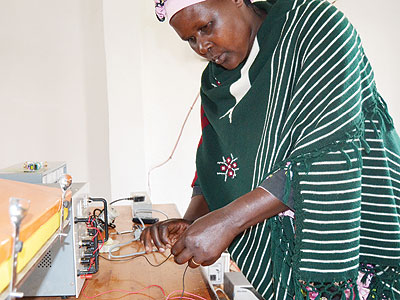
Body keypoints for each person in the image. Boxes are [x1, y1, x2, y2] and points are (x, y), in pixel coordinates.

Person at [141, 0, 400, 298]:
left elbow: (327, 150)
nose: (202, 47)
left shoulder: (314, 27)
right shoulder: (216, 81)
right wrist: (193, 224)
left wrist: (228, 221)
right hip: (286, 251)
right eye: (190, 39)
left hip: (348, 233)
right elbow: (216, 160)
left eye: (205, 27)